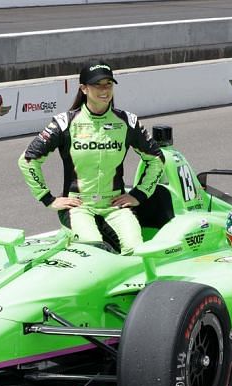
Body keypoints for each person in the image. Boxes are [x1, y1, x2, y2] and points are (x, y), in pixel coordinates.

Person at [18, 61, 165, 255]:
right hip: (78, 207)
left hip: (115, 205)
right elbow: (28, 160)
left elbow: (156, 159)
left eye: (109, 84)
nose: (104, 90)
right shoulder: (65, 122)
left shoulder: (127, 121)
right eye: (97, 85)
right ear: (84, 89)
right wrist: (48, 199)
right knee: (93, 251)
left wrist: (139, 194)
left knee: (138, 251)